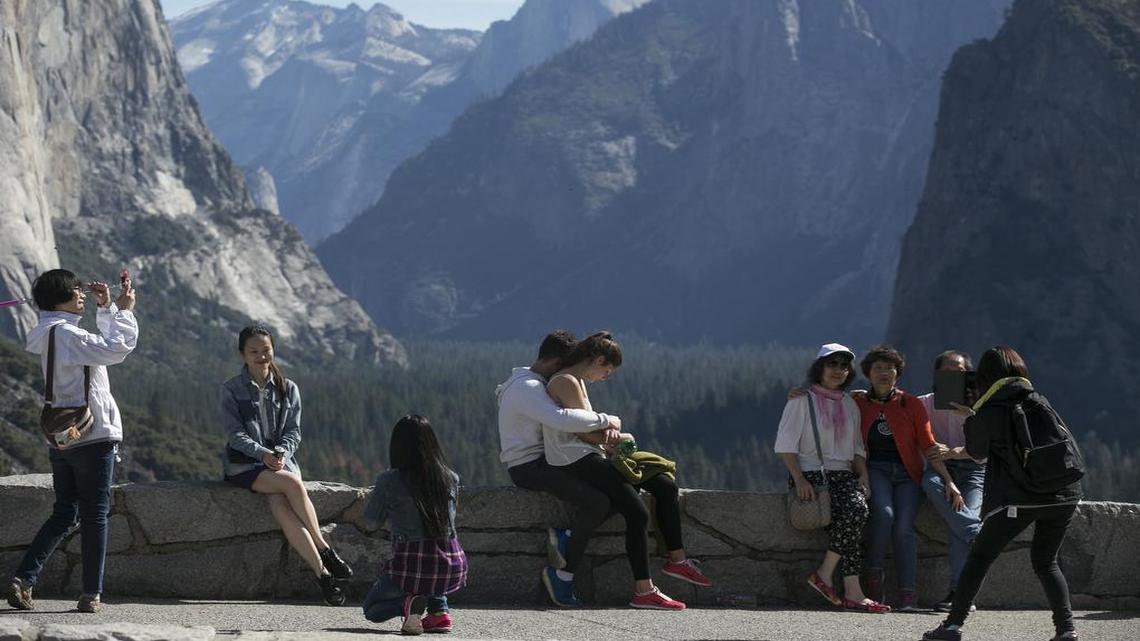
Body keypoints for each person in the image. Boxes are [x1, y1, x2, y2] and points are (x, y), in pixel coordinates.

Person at [925, 346, 1083, 641]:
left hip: (1023, 497)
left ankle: (952, 626)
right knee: (1046, 561)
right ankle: (1067, 630)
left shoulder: (991, 409)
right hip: (1065, 493)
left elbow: (976, 452)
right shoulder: (1037, 398)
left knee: (980, 556)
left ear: (985, 376)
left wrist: (971, 416)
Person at [544, 332, 711, 611]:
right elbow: (584, 434)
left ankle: (678, 560)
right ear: (597, 360)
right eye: (606, 371)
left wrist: (607, 430)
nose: (605, 377)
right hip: (575, 459)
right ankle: (644, 590)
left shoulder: (578, 381)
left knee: (665, 486)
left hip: (591, 454)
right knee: (637, 513)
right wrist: (621, 436)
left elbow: (590, 428)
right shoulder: (565, 381)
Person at [5, 269, 138, 614]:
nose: (81, 295)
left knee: (65, 511)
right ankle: (91, 592)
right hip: (91, 433)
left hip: (60, 434)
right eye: (74, 291)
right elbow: (116, 349)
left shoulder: (47, 334)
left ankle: (24, 578)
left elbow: (98, 350)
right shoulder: (66, 335)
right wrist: (123, 312)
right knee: (95, 514)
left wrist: (106, 308)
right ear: (58, 298)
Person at [219, 324, 352, 606]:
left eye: (266, 350)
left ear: (273, 350)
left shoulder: (288, 388)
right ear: (242, 354)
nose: (261, 356)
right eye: (253, 351)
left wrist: (281, 453)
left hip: (280, 462)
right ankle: (325, 547)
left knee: (280, 504)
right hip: (245, 465)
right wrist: (263, 454)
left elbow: (294, 431)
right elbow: (235, 434)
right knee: (292, 483)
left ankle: (323, 575)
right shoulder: (231, 389)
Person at [495, 330, 622, 607]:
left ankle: (567, 538)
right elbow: (560, 420)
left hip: (541, 461)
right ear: (556, 363)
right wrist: (608, 419)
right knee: (598, 501)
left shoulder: (525, 382)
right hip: (529, 467)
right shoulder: (527, 387)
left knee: (617, 492)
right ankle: (561, 575)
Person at [775, 343, 889, 613]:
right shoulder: (801, 400)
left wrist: (863, 476)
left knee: (853, 520)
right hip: (812, 475)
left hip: (845, 475)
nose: (839, 370)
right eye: (832, 364)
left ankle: (847, 589)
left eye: (844, 365)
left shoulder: (850, 403)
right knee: (856, 511)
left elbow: (858, 447)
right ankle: (838, 583)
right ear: (820, 368)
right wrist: (799, 479)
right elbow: (785, 445)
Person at [854, 345, 963, 611]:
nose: (883, 373)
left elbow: (928, 445)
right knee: (885, 515)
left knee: (904, 528)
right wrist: (800, 394)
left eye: (889, 368)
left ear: (897, 373)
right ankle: (874, 581)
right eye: (877, 368)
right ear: (868, 373)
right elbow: (828, 400)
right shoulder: (856, 402)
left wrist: (948, 480)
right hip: (876, 470)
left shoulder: (911, 404)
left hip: (907, 474)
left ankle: (907, 593)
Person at [363, 415, 467, 636]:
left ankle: (409, 604)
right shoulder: (451, 478)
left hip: (411, 565)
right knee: (433, 560)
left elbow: (371, 522)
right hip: (452, 565)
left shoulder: (389, 480)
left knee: (372, 610)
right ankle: (439, 613)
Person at [920, 351, 984, 612]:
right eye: (946, 370)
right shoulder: (924, 403)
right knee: (930, 482)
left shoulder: (980, 406)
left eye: (958, 370)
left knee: (960, 520)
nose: (952, 375)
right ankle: (976, 534)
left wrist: (972, 415)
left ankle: (959, 594)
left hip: (974, 469)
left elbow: (987, 447)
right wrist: (855, 395)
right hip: (941, 469)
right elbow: (891, 404)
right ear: (937, 375)